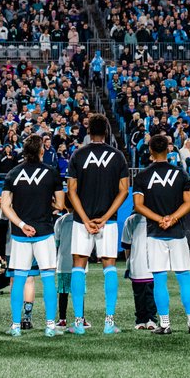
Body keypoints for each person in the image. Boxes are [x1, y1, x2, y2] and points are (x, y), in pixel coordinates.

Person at [133, 134, 190, 335]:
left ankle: (165, 324)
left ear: (151, 151)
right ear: (169, 150)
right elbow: (189, 202)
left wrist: (159, 219)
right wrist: (171, 218)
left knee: (160, 279)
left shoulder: (142, 176)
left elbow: (138, 205)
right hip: (178, 232)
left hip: (155, 233)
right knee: (184, 277)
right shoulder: (180, 174)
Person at [67, 113, 129, 335]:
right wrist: (105, 217)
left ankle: (78, 322)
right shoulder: (118, 156)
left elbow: (71, 191)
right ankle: (109, 322)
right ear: (107, 132)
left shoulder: (78, 155)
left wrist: (84, 219)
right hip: (108, 222)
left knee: (78, 266)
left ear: (88, 131)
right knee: (109, 266)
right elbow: (124, 191)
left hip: (81, 221)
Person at [0, 135, 65, 337]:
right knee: (47, 280)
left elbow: (5, 206)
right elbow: (60, 205)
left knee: (19, 280)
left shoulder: (13, 173)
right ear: (41, 151)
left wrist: (21, 224)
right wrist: (48, 204)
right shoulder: (52, 173)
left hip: (20, 234)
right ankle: (50, 326)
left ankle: (15, 326)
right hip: (44, 232)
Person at [121, 206, 156, 330]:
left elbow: (126, 244)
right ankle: (151, 319)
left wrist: (128, 262)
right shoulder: (154, 218)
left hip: (137, 263)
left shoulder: (130, 220)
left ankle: (141, 321)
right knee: (150, 293)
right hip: (153, 262)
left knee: (139, 294)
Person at [53, 200, 75, 328]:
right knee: (78, 291)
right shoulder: (81, 220)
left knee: (63, 292)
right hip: (79, 263)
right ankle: (81, 318)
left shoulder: (60, 221)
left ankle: (62, 319)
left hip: (63, 262)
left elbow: (56, 241)